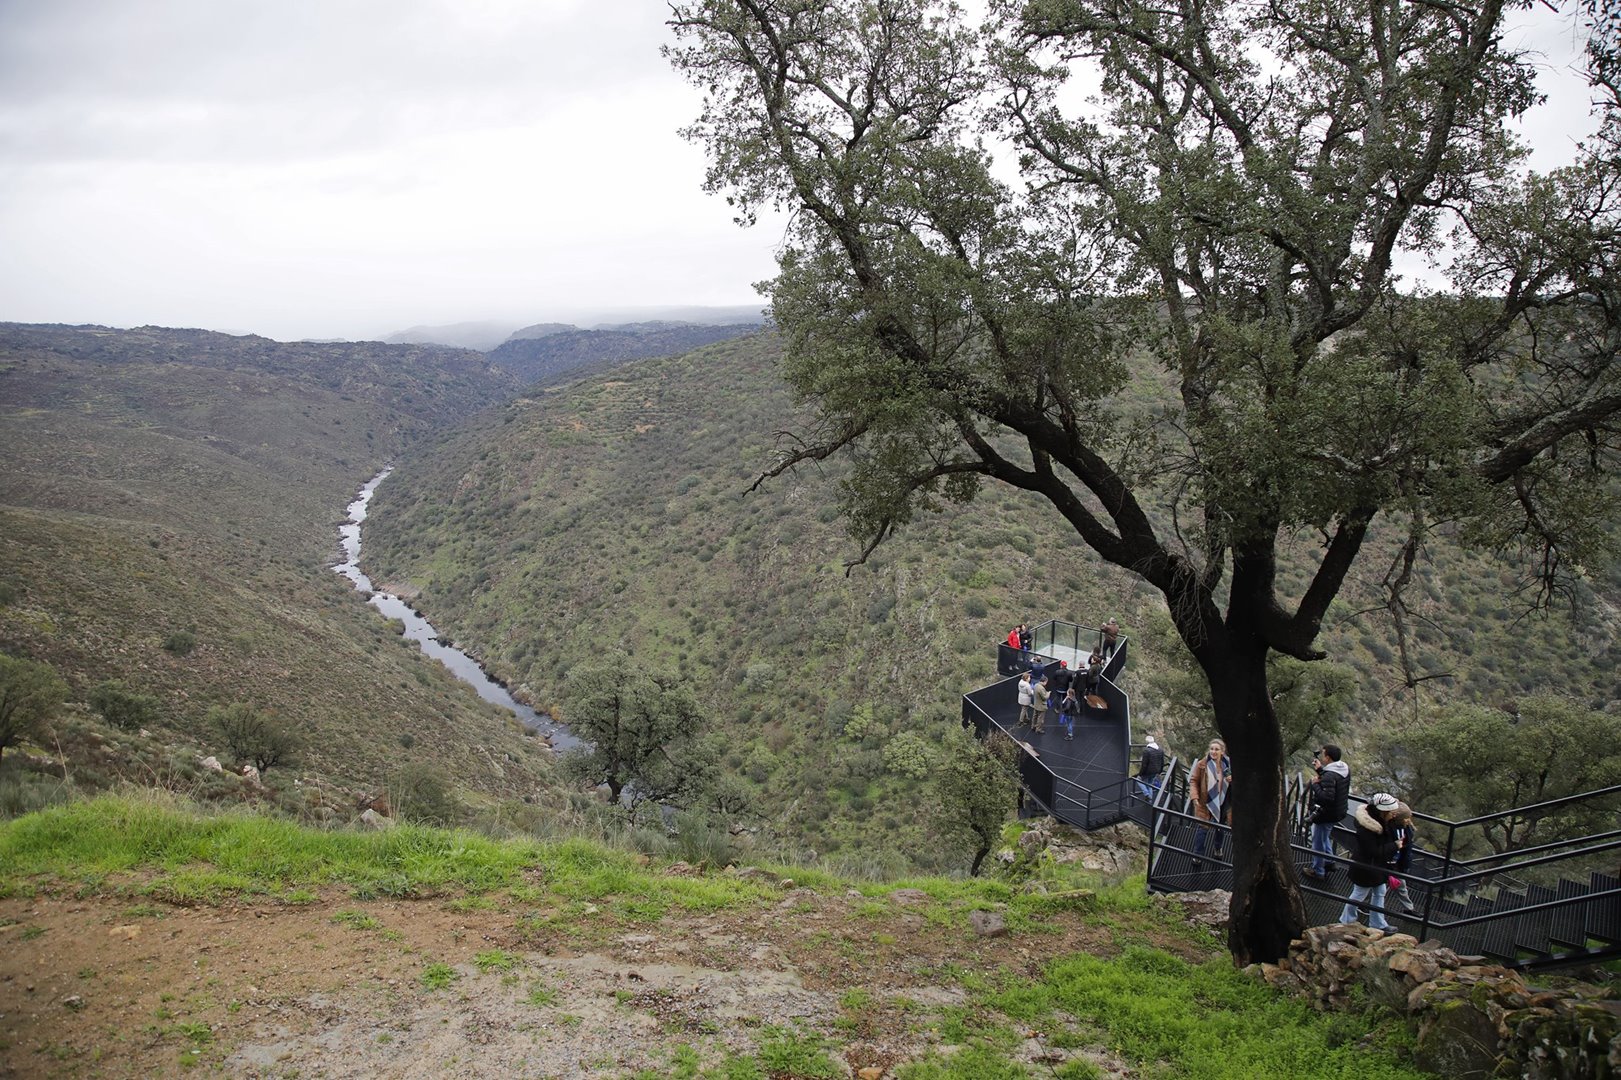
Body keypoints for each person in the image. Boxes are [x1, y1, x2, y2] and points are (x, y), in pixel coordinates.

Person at [1339, 792, 1402, 930]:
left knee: (1379, 893)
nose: (1393, 814)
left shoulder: (1382, 821)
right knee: (1359, 894)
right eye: (1391, 811)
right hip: (1366, 868)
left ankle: (1377, 924)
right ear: (1383, 811)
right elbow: (1373, 851)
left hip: (1375, 867)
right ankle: (1346, 921)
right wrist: (1395, 846)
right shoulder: (1367, 829)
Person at [1304, 745, 1350, 881]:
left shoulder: (1329, 775)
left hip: (1326, 814)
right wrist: (1320, 770)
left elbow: (1327, 798)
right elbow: (1332, 781)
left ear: (1328, 758)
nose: (1322, 757)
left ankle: (1317, 871)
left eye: (1323, 755)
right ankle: (1329, 862)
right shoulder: (1344, 769)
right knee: (1324, 837)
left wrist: (1315, 784)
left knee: (1318, 842)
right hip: (1338, 811)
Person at [1189, 738, 1231, 862]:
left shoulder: (1228, 765)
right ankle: (1197, 855)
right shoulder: (1202, 765)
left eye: (1216, 749)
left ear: (1222, 752)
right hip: (1204, 801)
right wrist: (1194, 797)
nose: (1213, 751)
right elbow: (1193, 781)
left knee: (1220, 827)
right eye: (1212, 749)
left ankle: (1218, 848)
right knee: (1202, 829)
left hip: (1223, 801)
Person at [1386, 801, 1417, 913]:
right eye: (1406, 818)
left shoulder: (1406, 829)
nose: (1408, 820)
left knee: (1400, 885)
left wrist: (1404, 865)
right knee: (1379, 887)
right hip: (1387, 861)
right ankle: (1363, 904)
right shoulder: (1389, 829)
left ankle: (1409, 908)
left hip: (1397, 863)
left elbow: (1406, 849)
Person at [1136, 735, 1165, 800]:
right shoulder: (1160, 750)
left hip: (1148, 771)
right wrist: (1160, 771)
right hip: (1156, 770)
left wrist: (1140, 773)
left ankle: (1146, 794)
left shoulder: (1147, 750)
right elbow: (1162, 762)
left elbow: (1144, 764)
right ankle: (1149, 800)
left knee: (1138, 780)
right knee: (1149, 784)